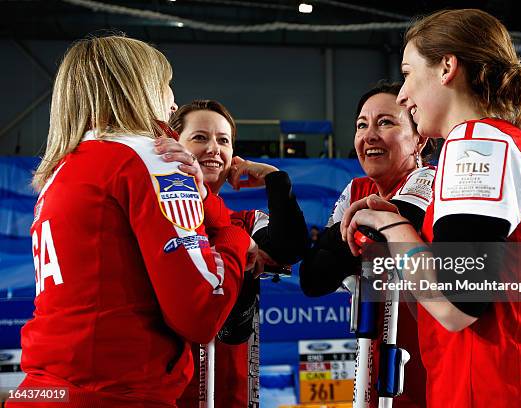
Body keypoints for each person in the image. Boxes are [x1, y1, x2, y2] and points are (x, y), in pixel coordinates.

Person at [341, 9, 521, 407]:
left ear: (447, 67)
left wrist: (388, 224)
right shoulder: (502, 143)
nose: (403, 94)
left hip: (498, 393)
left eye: (408, 73)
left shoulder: (476, 142)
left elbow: (456, 304)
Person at [10, 35, 255, 408]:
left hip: (44, 390)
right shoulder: (151, 157)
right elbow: (201, 310)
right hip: (115, 394)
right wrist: (237, 237)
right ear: (138, 88)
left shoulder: (61, 170)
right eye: (165, 85)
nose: (172, 100)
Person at [300, 81, 436, 407]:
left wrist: (348, 238)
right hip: (374, 353)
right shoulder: (355, 189)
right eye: (362, 125)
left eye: (386, 122)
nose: (369, 135)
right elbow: (314, 277)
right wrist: (360, 233)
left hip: (430, 355)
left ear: (420, 139)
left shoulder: (430, 180)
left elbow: (377, 239)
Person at [166, 99, 308, 408]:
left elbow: (291, 247)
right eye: (200, 137)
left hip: (235, 396)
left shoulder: (243, 222)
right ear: (174, 145)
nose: (214, 148)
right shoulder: (158, 217)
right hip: (168, 396)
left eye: (223, 140)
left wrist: (274, 177)